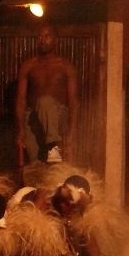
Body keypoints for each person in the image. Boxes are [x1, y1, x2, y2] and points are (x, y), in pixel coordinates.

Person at [16, 25, 78, 164]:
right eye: (40, 36)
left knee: (45, 102)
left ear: (56, 39)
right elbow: (20, 99)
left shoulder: (65, 66)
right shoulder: (29, 65)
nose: (42, 40)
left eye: (47, 36)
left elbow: (73, 101)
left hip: (58, 116)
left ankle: (52, 145)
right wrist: (21, 130)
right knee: (35, 164)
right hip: (34, 118)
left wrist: (72, 131)